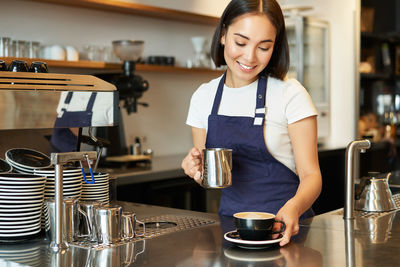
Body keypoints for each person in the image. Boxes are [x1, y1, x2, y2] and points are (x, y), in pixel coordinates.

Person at [181, 0, 322, 247]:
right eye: (241, 42)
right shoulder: (203, 97)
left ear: (275, 46)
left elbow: (312, 176)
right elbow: (209, 178)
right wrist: (195, 169)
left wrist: (294, 206)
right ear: (223, 34)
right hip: (231, 230)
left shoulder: (290, 94)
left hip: (286, 230)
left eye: (264, 47)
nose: (250, 56)